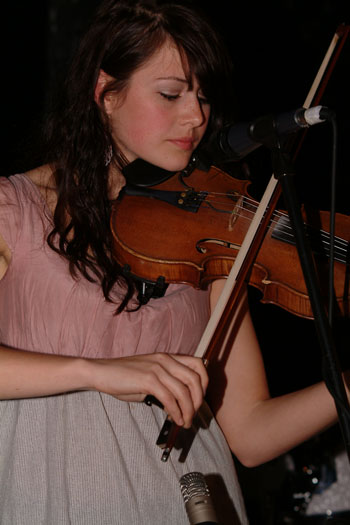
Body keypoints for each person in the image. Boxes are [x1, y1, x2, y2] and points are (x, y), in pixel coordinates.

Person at [0, 1, 348, 523]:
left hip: (185, 501)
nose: (197, 117)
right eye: (171, 94)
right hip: (57, 495)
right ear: (105, 93)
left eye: (203, 97)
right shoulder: (14, 209)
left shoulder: (208, 243)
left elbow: (251, 433)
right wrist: (95, 373)